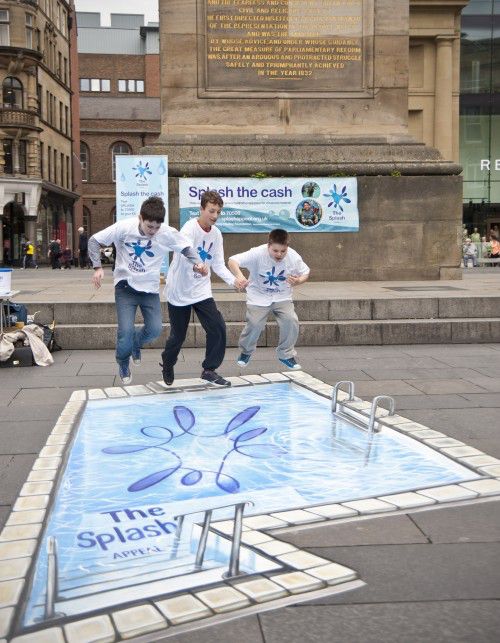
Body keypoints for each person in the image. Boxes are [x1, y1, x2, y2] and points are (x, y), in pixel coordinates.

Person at [88, 196, 207, 385]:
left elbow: (186, 248)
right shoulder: (124, 228)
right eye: (149, 226)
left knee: (154, 330)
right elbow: (94, 241)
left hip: (150, 289)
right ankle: (123, 361)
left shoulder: (167, 233)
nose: (152, 231)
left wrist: (198, 263)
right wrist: (97, 267)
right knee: (125, 332)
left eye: (156, 227)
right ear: (140, 218)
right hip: (125, 287)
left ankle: (136, 344)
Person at [161, 190, 247, 388]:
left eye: (218, 212)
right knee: (178, 335)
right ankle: (167, 362)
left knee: (217, 327)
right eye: (211, 211)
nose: (215, 216)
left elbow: (217, 264)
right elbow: (182, 253)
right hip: (180, 290)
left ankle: (209, 369)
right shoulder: (189, 229)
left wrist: (234, 281)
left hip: (201, 289)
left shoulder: (216, 234)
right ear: (201, 209)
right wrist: (196, 265)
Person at [228, 228, 310, 370]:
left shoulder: (293, 256)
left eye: (283, 251)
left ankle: (286, 354)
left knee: (291, 320)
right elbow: (232, 260)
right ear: (268, 246)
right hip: (258, 296)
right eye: (275, 251)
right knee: (254, 324)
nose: (279, 254)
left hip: (282, 296)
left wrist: (299, 281)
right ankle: (246, 352)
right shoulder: (257, 253)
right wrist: (240, 276)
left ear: (287, 247)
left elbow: (306, 272)